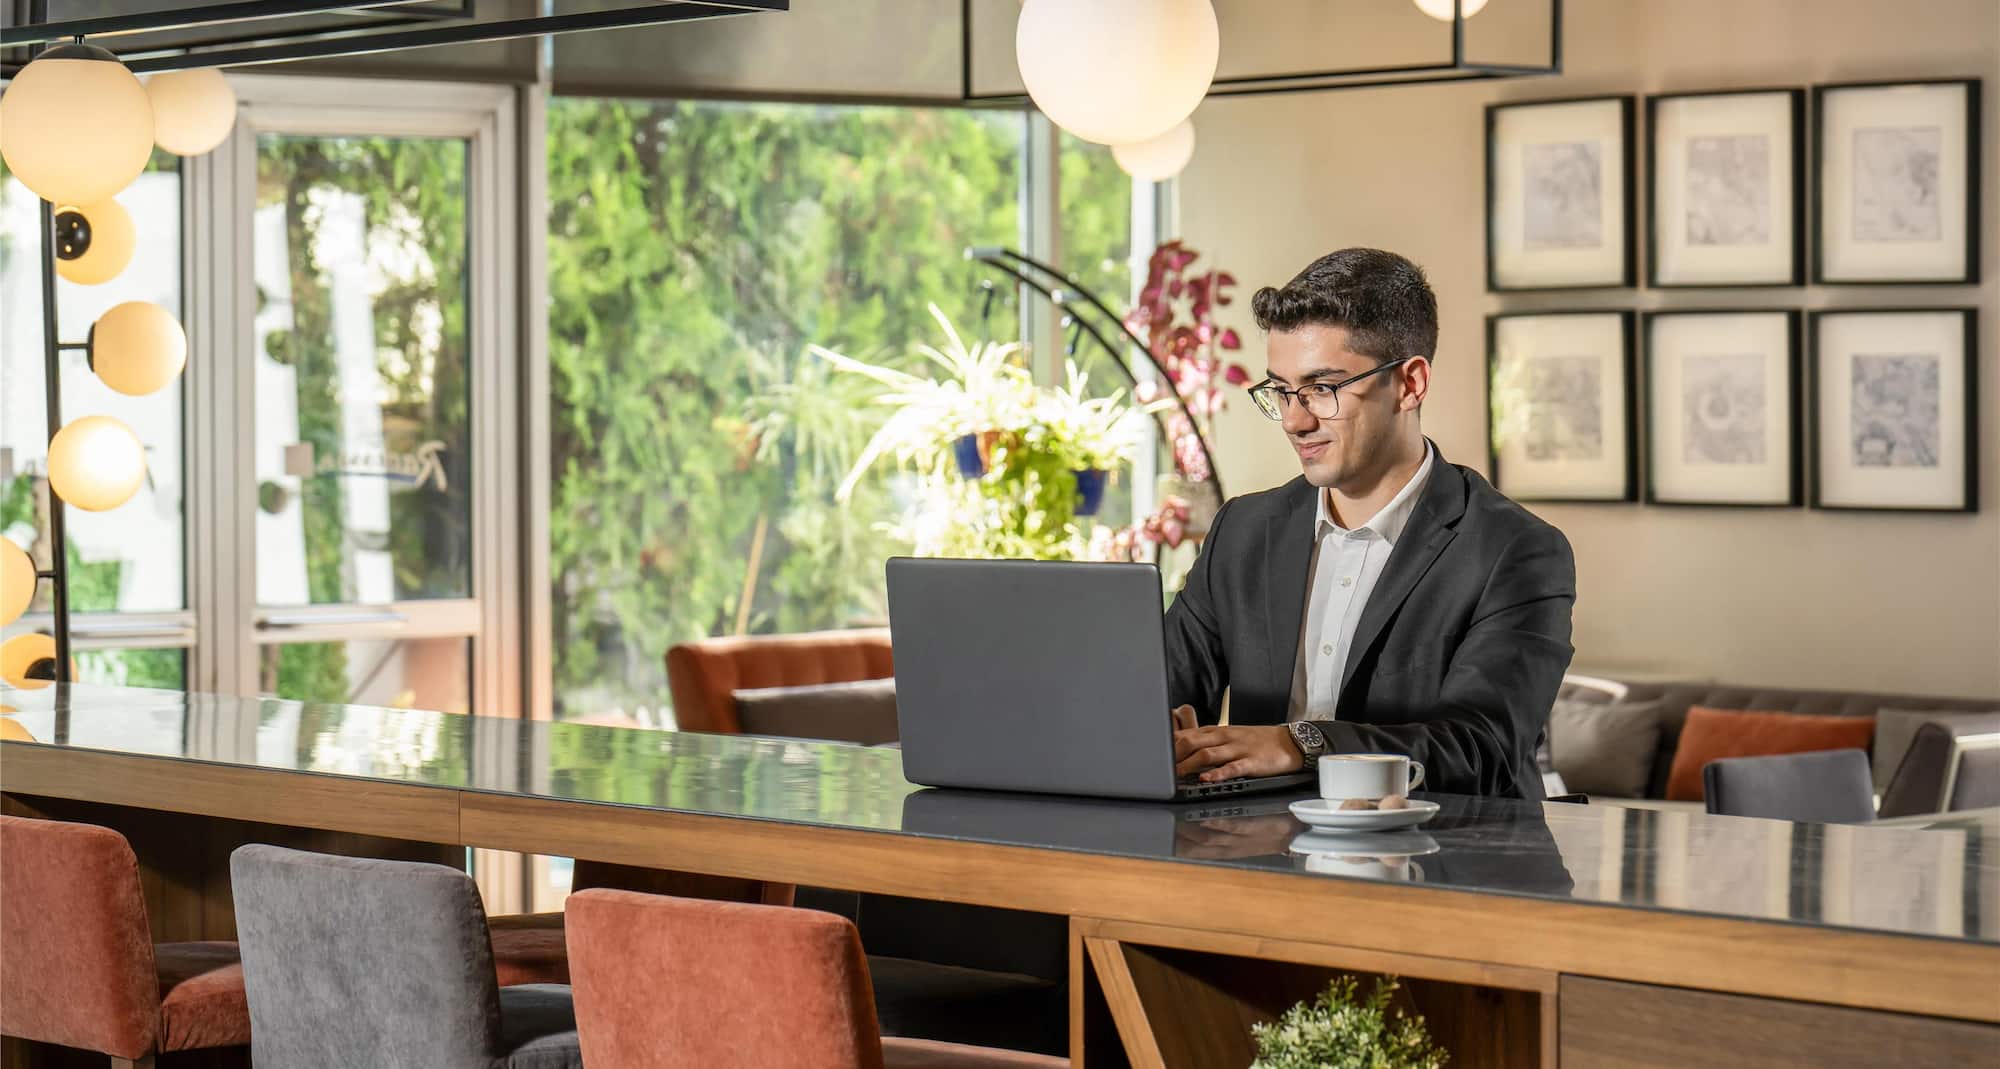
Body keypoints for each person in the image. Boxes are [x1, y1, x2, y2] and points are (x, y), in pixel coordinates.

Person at [1165, 247, 1575, 800]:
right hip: (1261, 861)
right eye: (1281, 390)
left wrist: (1301, 743)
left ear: (1409, 384)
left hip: (1442, 867)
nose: (1294, 419)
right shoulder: (1242, 530)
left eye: (1322, 388)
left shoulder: (1517, 551)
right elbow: (1157, 697)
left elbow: (1483, 749)